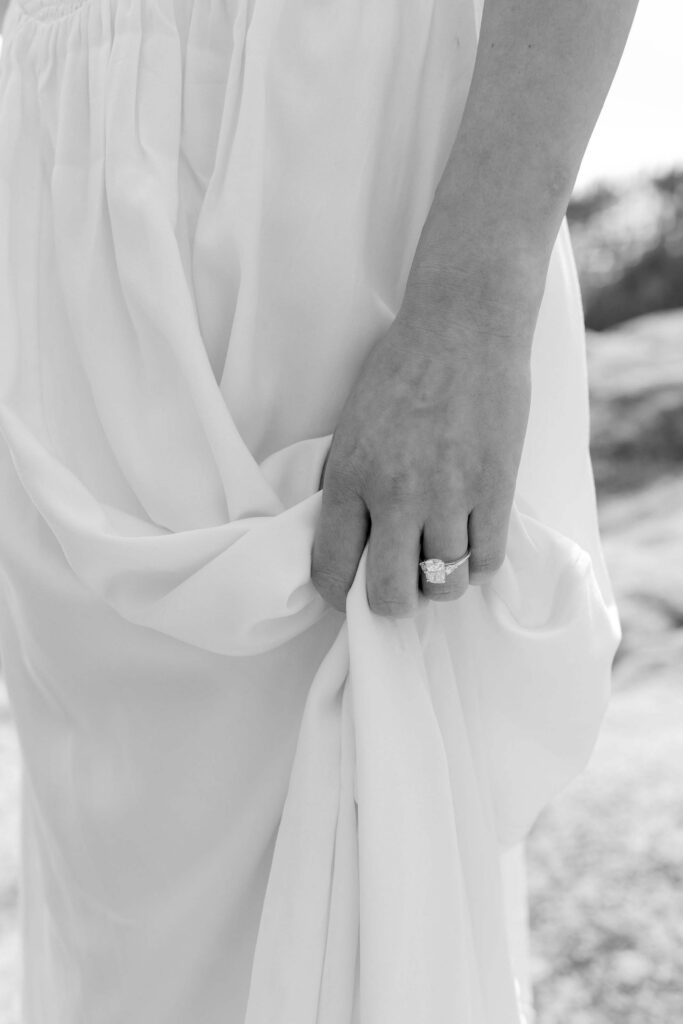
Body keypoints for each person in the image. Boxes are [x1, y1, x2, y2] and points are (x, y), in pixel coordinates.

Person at [0, 0, 635, 1021]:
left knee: (363, 861)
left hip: (318, 137)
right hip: (54, 159)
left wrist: (473, 295)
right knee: (125, 951)